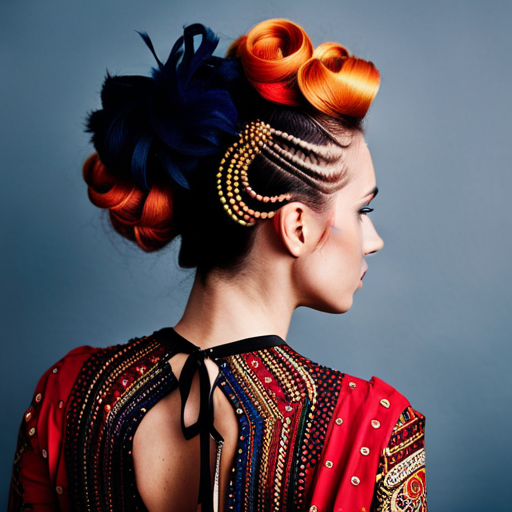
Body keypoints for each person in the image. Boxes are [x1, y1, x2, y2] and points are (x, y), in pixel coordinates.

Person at [8, 18, 426, 512]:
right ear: (296, 226)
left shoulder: (66, 393)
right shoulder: (371, 428)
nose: (372, 241)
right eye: (362, 211)